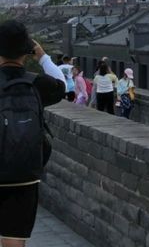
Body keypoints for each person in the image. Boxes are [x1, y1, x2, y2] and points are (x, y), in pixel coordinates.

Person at [0, 20, 65, 247]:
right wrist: (42, 56)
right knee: (14, 237)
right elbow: (62, 84)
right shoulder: (37, 84)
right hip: (23, 173)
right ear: (26, 50)